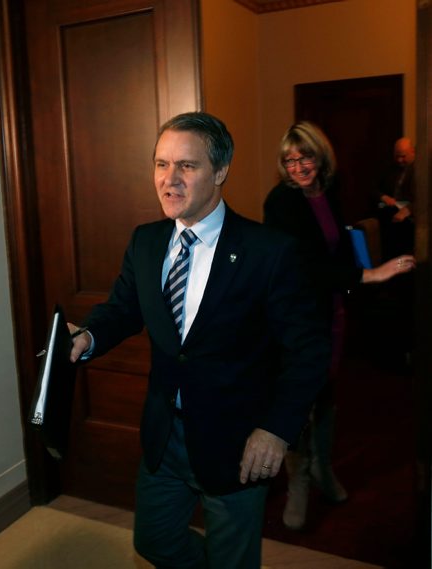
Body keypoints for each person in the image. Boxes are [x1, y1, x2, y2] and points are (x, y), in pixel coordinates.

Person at [68, 111, 331, 569]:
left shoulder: (269, 251)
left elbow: (308, 352)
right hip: (164, 434)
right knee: (154, 542)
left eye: (186, 166)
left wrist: (276, 430)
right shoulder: (146, 242)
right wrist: (88, 335)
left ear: (221, 171)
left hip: (238, 442)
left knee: (233, 558)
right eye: (161, 164)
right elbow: (123, 309)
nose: (169, 180)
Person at [263, 121, 416, 531]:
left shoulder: (328, 191)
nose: (298, 168)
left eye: (305, 157)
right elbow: (305, 267)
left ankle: (322, 469)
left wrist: (359, 271)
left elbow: (338, 247)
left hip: (332, 310)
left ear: (320, 156)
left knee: (327, 392)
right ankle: (298, 479)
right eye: (289, 161)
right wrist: (372, 275)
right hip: (296, 317)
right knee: (300, 396)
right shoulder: (280, 202)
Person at [376, 137, 416, 260]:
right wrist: (383, 197)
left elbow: (426, 197)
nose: (399, 160)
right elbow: (373, 188)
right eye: (397, 156)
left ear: (412, 152)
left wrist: (409, 209)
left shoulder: (422, 169)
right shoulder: (389, 168)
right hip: (389, 214)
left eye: (403, 156)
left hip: (410, 220)